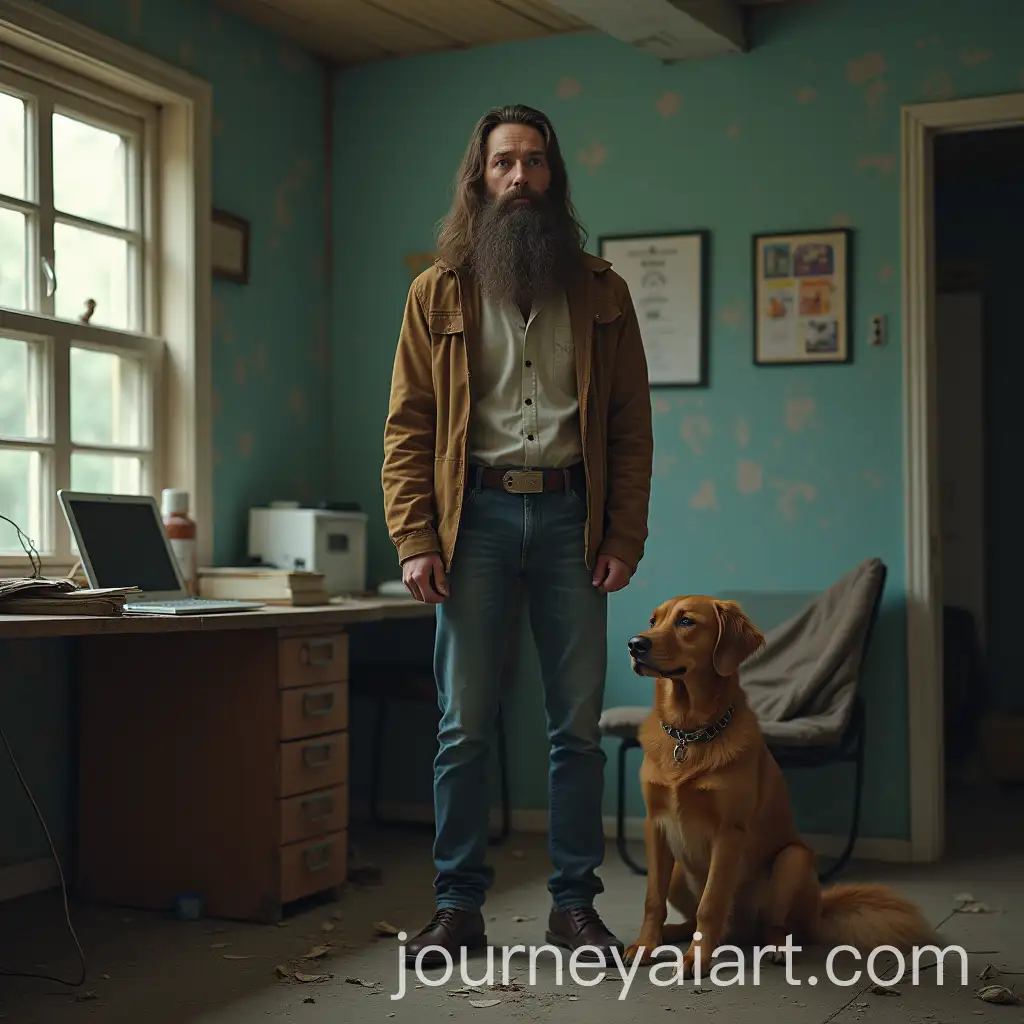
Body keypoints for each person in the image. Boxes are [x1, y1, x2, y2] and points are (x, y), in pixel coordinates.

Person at [381, 104, 654, 965]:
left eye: (535, 163)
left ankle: (574, 906)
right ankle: (458, 907)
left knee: (574, 728)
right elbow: (408, 427)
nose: (519, 179)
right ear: (479, 177)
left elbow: (630, 426)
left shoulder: (603, 291)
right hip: (475, 523)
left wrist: (625, 532)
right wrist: (415, 536)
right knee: (464, 725)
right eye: (504, 163)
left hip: (575, 518)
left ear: (553, 177)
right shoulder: (436, 292)